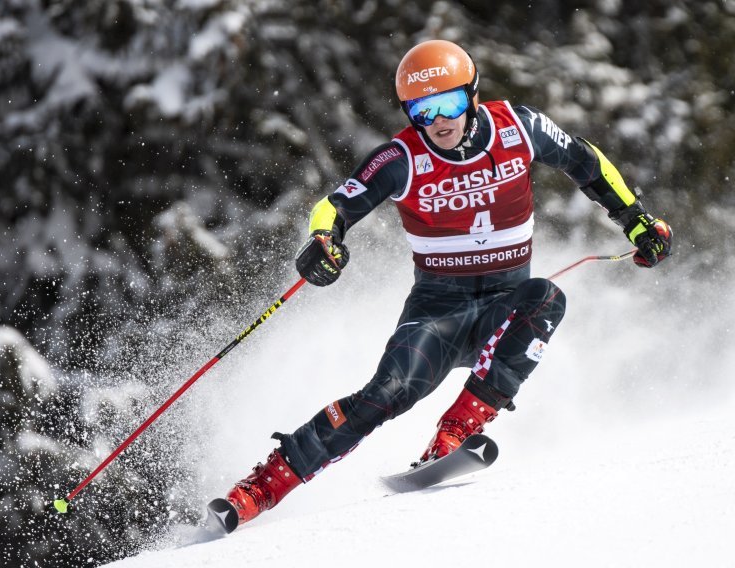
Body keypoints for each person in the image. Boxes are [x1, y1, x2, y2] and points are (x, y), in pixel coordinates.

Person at [218, 39, 672, 527]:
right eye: (422, 109)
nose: (439, 120)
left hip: (505, 303)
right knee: (386, 394)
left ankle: (454, 433)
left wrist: (637, 219)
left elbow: (585, 161)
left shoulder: (518, 126)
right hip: (438, 310)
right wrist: (323, 240)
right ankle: (258, 490)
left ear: (472, 94)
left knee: (547, 299)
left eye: (450, 103)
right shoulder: (402, 158)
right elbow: (335, 205)